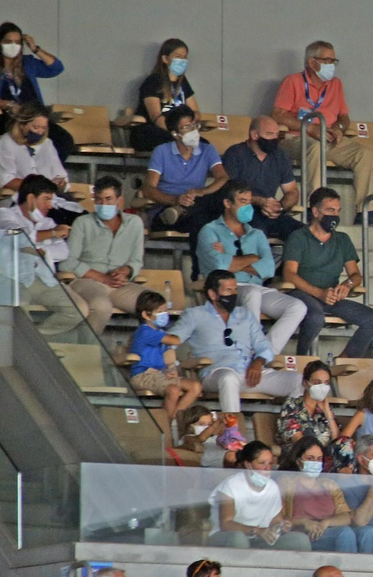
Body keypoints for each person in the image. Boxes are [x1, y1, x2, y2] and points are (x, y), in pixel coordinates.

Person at [170, 269, 303, 413]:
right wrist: (170, 366)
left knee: (299, 381)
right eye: (228, 290)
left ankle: (294, 428)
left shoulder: (245, 314)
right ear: (212, 294)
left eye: (235, 290)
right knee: (228, 378)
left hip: (249, 373)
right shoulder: (194, 315)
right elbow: (170, 341)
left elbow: (262, 345)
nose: (233, 294)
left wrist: (258, 362)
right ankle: (233, 431)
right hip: (216, 373)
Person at [197, 181, 306, 353]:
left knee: (298, 307)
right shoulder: (209, 231)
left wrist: (232, 260)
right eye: (242, 201)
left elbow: (269, 268)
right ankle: (249, 349)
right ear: (227, 203)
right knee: (252, 294)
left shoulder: (256, 234)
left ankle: (265, 353)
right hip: (226, 290)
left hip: (257, 286)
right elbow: (219, 267)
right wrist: (253, 259)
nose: (248, 206)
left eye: (249, 202)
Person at [273, 41, 373, 223]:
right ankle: (316, 209)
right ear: (312, 62)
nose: (331, 65)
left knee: (364, 154)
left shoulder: (336, 84)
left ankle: (365, 211)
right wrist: (309, 128)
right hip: (298, 138)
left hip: (328, 137)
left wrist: (339, 128)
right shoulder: (293, 81)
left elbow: (344, 116)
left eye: (333, 61)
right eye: (327, 60)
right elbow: (278, 115)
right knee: (315, 149)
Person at [281, 187, 373, 358]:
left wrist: (347, 285)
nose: (335, 215)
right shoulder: (298, 237)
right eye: (330, 210)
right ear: (315, 211)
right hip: (303, 293)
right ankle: (302, 360)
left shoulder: (342, 239)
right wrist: (318, 293)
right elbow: (289, 274)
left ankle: (343, 361)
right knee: (315, 317)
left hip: (330, 296)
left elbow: (356, 275)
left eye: (337, 211)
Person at [0, 175, 85, 337]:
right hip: (10, 279)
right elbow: (18, 237)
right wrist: (52, 234)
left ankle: (37, 339)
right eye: (46, 199)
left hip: (44, 281)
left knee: (78, 310)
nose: (50, 205)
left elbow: (63, 251)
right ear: (31, 198)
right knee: (19, 311)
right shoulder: (4, 214)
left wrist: (39, 247)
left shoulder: (47, 223)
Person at [60, 175, 146, 331]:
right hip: (87, 281)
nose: (103, 204)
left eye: (108, 199)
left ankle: (141, 352)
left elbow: (137, 260)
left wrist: (126, 271)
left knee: (154, 304)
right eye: (99, 200)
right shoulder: (82, 223)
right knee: (101, 307)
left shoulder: (135, 223)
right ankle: (87, 352)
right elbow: (67, 262)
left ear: (120, 201)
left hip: (120, 284)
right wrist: (102, 278)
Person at [0, 22, 70, 158]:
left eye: (17, 42)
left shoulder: (27, 63)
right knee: (23, 143)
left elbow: (56, 68)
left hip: (34, 118)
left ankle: (45, 176)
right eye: (8, 42)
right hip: (7, 119)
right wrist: (10, 105)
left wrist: (36, 49)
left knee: (64, 141)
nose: (13, 46)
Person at [279, 437, 373, 553]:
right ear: (298, 461)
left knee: (368, 532)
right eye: (310, 459)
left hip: (332, 529)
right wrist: (304, 522)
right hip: (306, 535)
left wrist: (326, 523)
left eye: (319, 459)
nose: (315, 463)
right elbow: (280, 519)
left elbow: (346, 516)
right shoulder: (287, 483)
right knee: (345, 533)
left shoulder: (329, 484)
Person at [210, 442, 313, 549]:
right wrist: (256, 531)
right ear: (248, 464)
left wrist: (281, 526)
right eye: (262, 463)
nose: (267, 468)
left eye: (270, 463)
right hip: (227, 538)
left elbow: (276, 519)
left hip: (259, 539)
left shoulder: (272, 486)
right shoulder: (231, 485)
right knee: (239, 538)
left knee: (299, 540)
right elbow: (226, 524)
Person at [0, 104, 82, 223]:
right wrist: (39, 186)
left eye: (43, 128)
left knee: (80, 217)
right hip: (21, 200)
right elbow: (6, 180)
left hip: (50, 199)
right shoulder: (6, 143)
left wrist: (60, 183)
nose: (40, 132)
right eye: (36, 127)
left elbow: (60, 175)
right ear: (22, 124)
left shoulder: (47, 144)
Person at [143, 106, 228, 231]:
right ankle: (177, 211)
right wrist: (176, 200)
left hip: (195, 205)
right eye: (187, 127)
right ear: (175, 134)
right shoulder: (161, 151)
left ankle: (181, 211)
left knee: (227, 191)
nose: (193, 130)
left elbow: (223, 177)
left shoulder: (207, 149)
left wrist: (202, 192)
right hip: (166, 209)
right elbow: (148, 188)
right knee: (202, 220)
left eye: (194, 125)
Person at [220, 117, 303, 241]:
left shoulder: (280, 156)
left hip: (271, 213)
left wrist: (279, 206)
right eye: (269, 134)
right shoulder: (235, 154)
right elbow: (229, 192)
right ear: (254, 135)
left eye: (276, 135)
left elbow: (292, 192)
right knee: (257, 233)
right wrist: (260, 201)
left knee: (303, 234)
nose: (274, 139)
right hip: (242, 213)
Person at [129, 290, 203, 430]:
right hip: (143, 375)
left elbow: (167, 352)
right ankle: (166, 429)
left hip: (159, 374)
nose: (165, 314)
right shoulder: (145, 331)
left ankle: (173, 418)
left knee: (195, 387)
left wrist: (171, 369)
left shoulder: (159, 332)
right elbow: (174, 340)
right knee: (173, 390)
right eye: (160, 311)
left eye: (165, 310)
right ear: (146, 315)